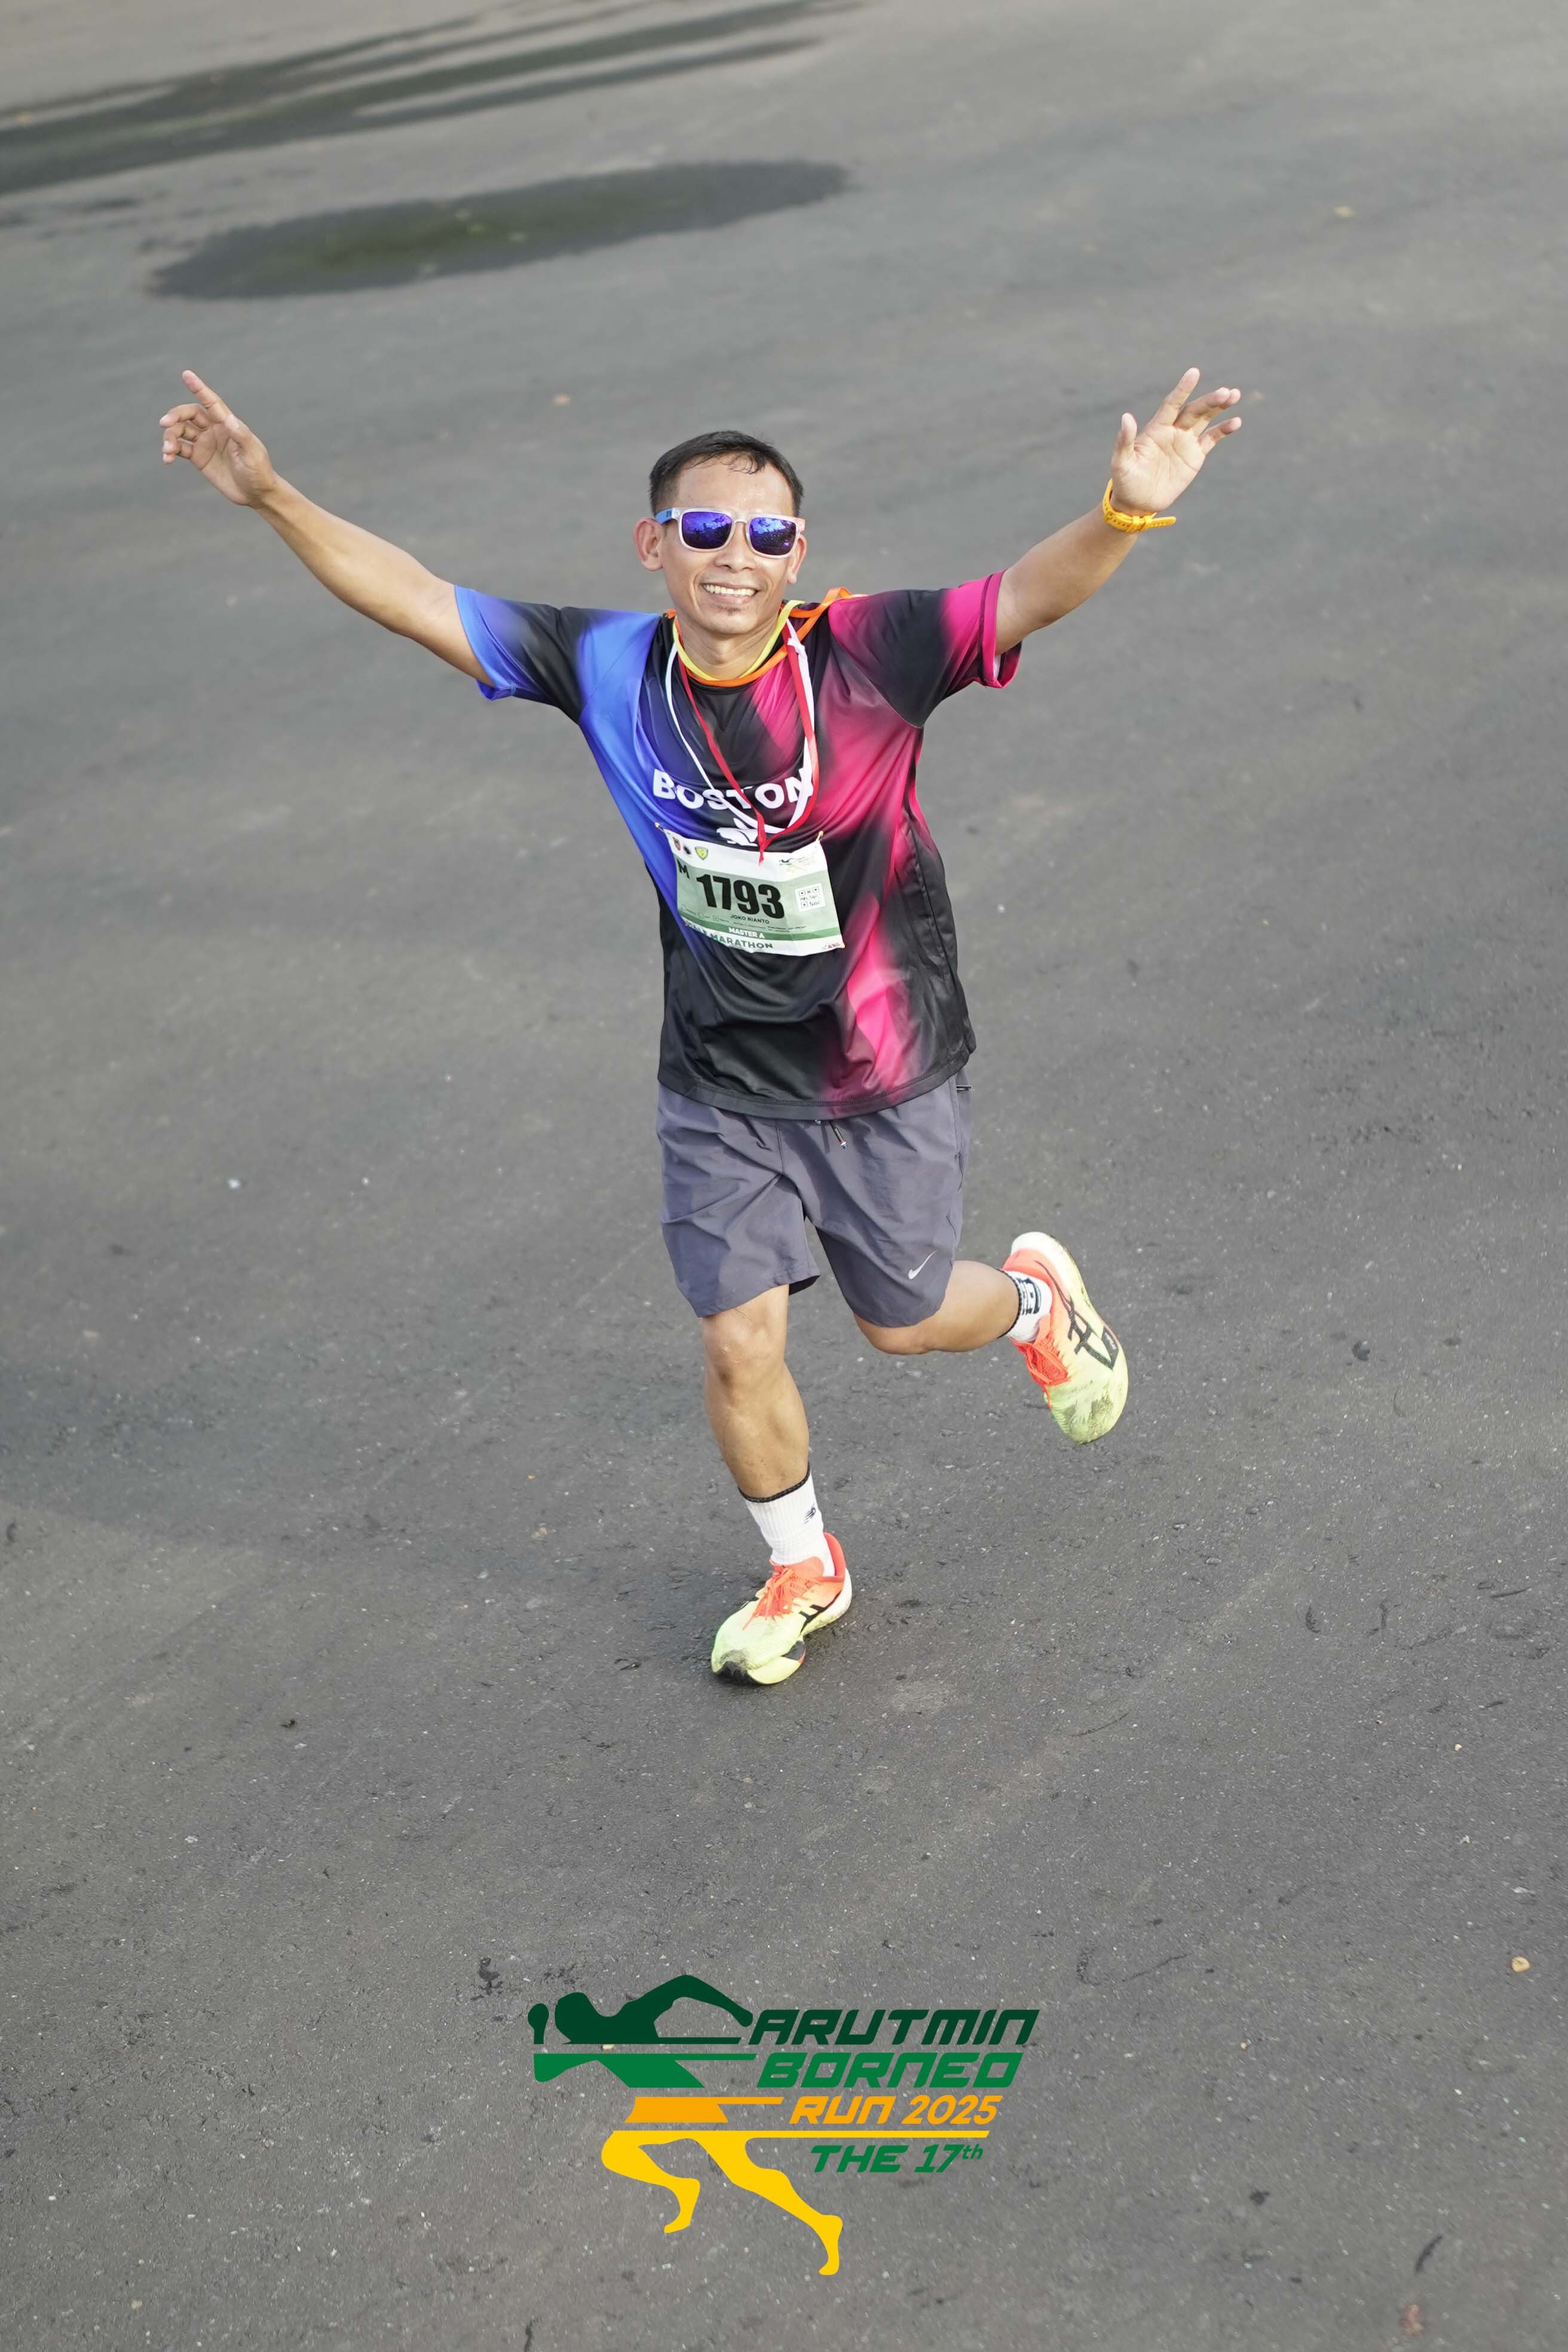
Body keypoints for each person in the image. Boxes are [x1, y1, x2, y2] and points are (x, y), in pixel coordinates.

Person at [158, 365, 1241, 1687]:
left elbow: (1026, 595)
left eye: (767, 532)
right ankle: (802, 1565)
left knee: (901, 1319)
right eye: (708, 528)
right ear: (654, 543)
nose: (738, 555)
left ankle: (1030, 1306)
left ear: (799, 551)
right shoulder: (606, 665)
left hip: (880, 1063)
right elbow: (418, 598)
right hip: (718, 1075)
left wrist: (1123, 513)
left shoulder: (869, 652)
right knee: (737, 1337)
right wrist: (270, 494)